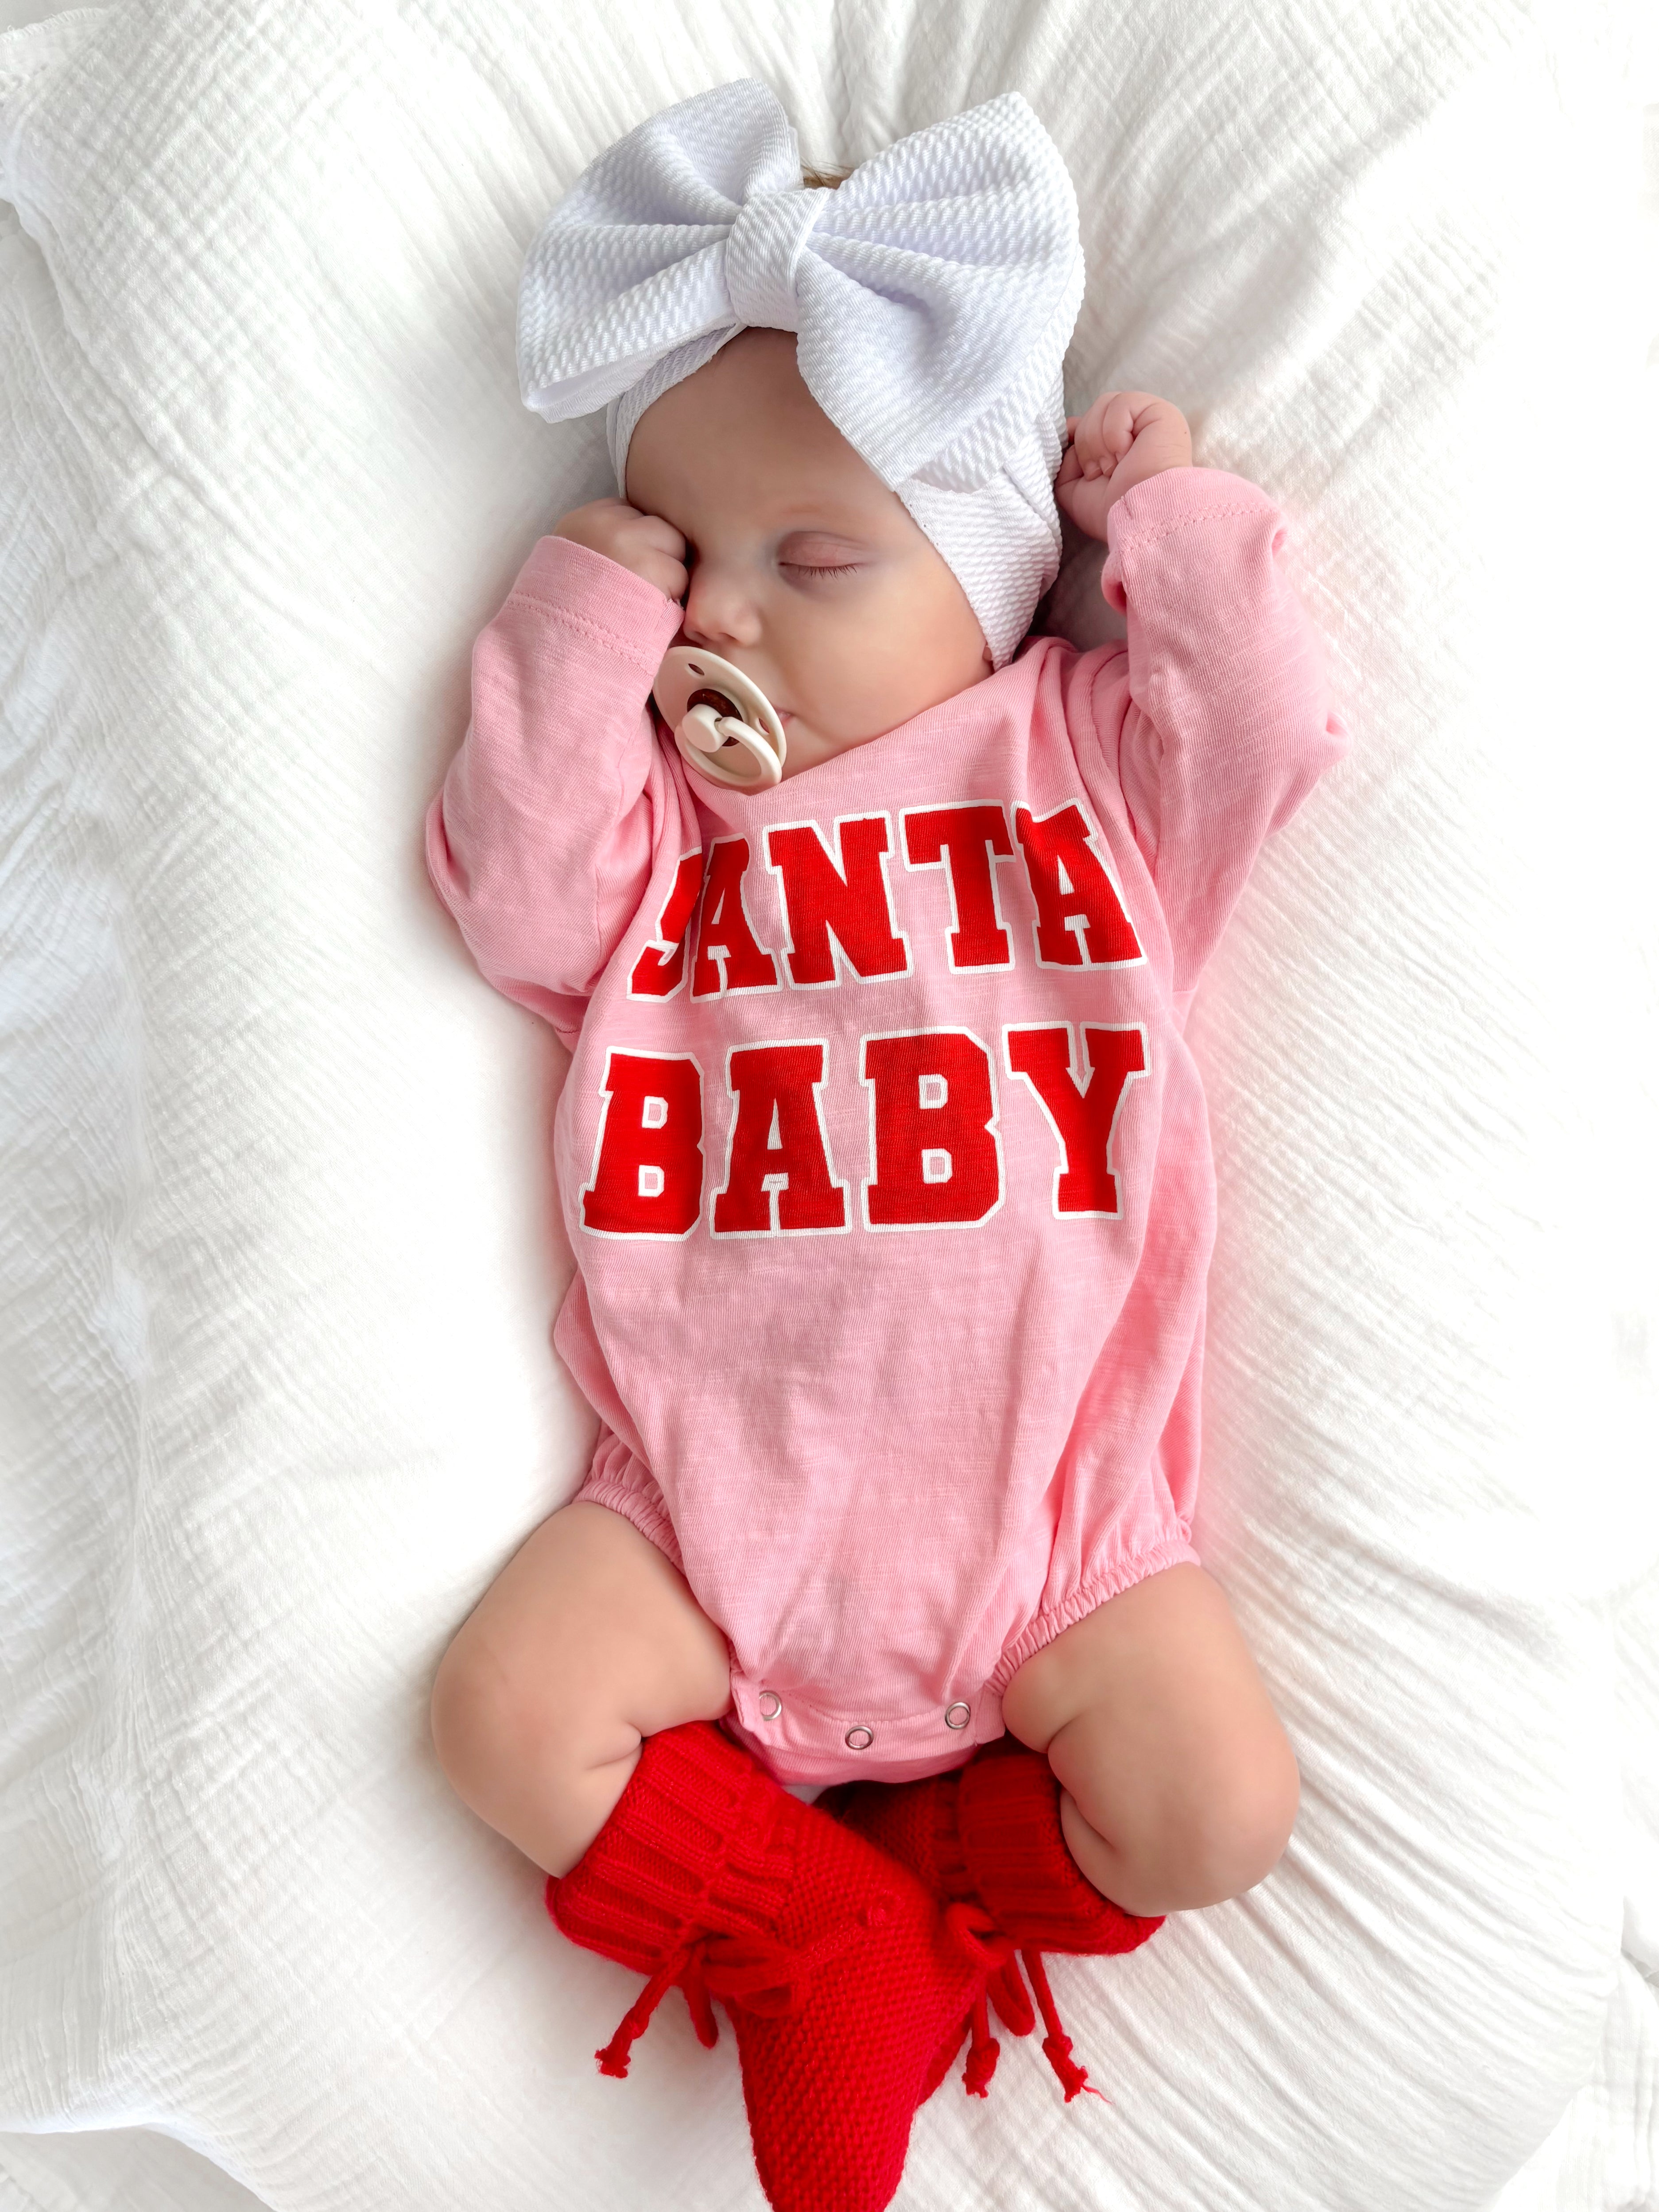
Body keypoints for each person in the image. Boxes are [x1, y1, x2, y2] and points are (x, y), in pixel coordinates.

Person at [422, 76, 1346, 2212]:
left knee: (1215, 1805)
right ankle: (804, 1923)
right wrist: (580, 619)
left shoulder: (1077, 765)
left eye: (809, 558)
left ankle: (931, 1875)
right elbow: (511, 889)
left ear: (990, 568)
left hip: (1051, 1525)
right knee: (501, 1717)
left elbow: (1271, 718)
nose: (720, 619)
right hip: (697, 1503)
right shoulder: (668, 833)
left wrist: (1166, 522)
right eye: (690, 562)